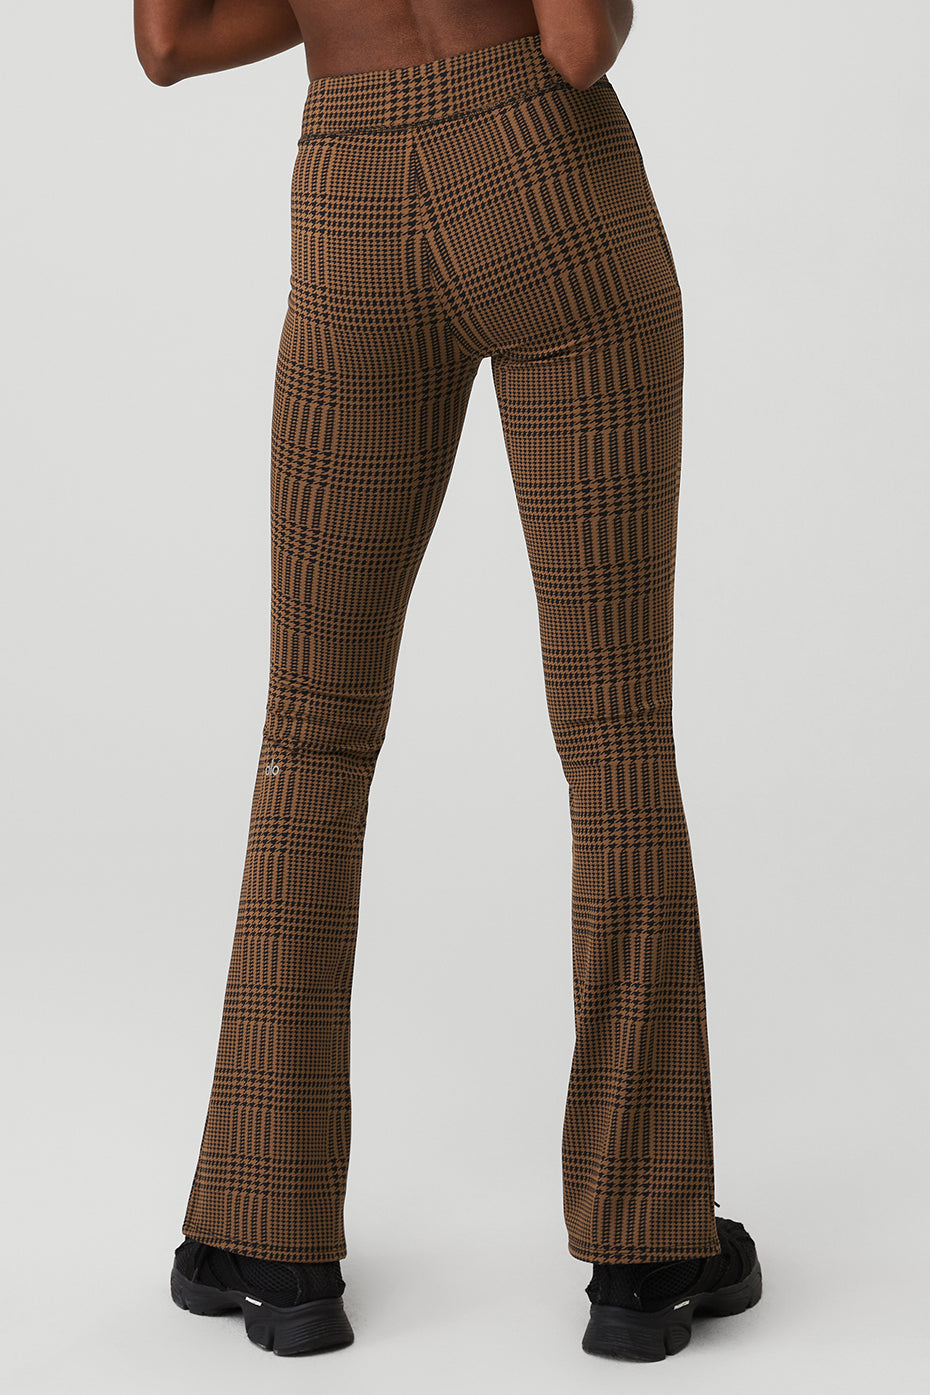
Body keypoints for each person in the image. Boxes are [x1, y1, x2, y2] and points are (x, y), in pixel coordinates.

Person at [134, 0, 762, 1363]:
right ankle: (645, 1250)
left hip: (350, 190)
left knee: (312, 733)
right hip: (547, 188)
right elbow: (578, 39)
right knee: (614, 732)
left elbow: (169, 42)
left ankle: (272, 1237)